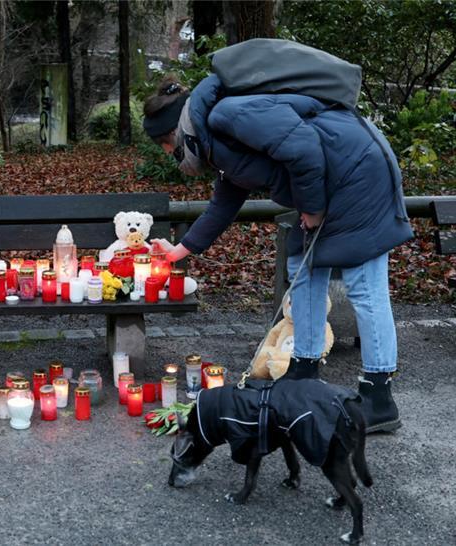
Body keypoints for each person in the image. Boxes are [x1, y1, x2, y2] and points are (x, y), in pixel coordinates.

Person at [144, 75, 413, 433]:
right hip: (326, 181)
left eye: (167, 148)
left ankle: (379, 398)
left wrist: (313, 208)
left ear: (175, 135)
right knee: (302, 269)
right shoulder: (215, 139)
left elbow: (302, 148)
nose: (172, 158)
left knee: (364, 285)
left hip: (358, 172)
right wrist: (179, 250)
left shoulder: (229, 116)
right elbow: (224, 202)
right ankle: (302, 374)